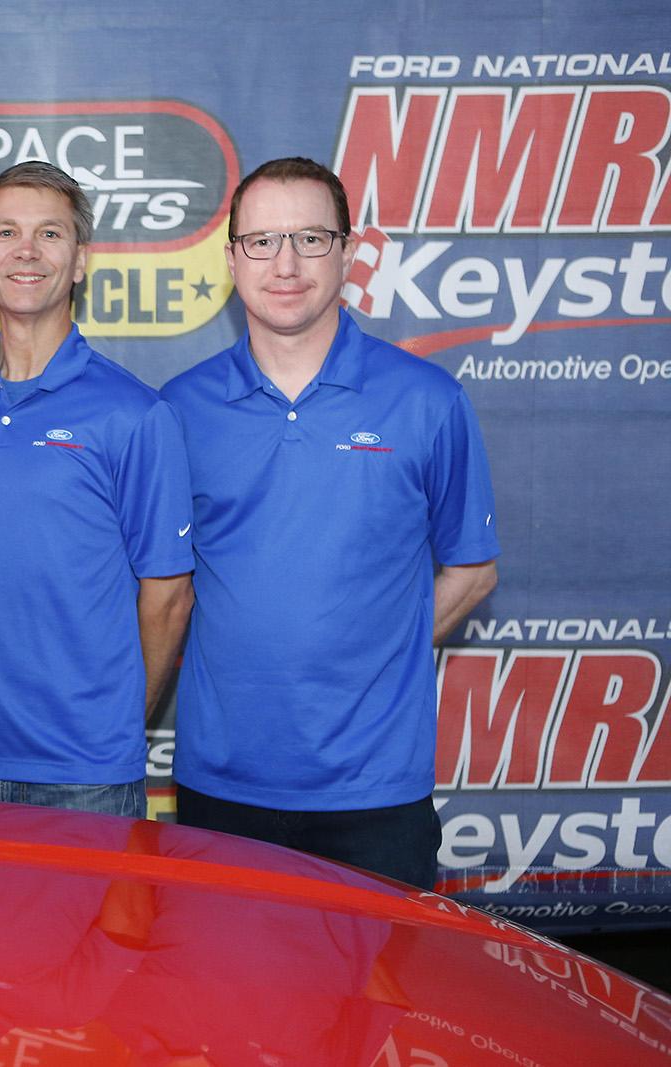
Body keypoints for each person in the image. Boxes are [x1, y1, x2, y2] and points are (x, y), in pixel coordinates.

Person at [160, 157, 500, 887]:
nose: (285, 264)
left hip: (375, 791)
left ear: (348, 252)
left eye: (310, 239)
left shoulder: (427, 400)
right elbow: (159, 584)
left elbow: (473, 571)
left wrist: (381, 650)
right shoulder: (178, 409)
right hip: (221, 784)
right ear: (231, 260)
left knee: (381, 970)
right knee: (226, 966)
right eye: (261, 241)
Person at [0, 161, 195, 818]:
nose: (27, 250)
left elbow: (169, 595)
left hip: (88, 775)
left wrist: (115, 724)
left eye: (50, 233)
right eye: (6, 232)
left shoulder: (135, 413)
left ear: (80, 261)